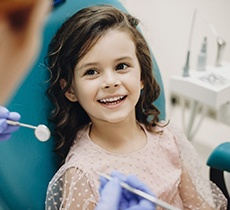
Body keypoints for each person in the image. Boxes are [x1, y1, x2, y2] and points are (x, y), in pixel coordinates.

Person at [45, 5, 226, 210]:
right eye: (92, 72)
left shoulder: (167, 138)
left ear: (141, 77)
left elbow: (199, 206)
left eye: (121, 66)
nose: (110, 82)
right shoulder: (83, 174)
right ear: (70, 90)